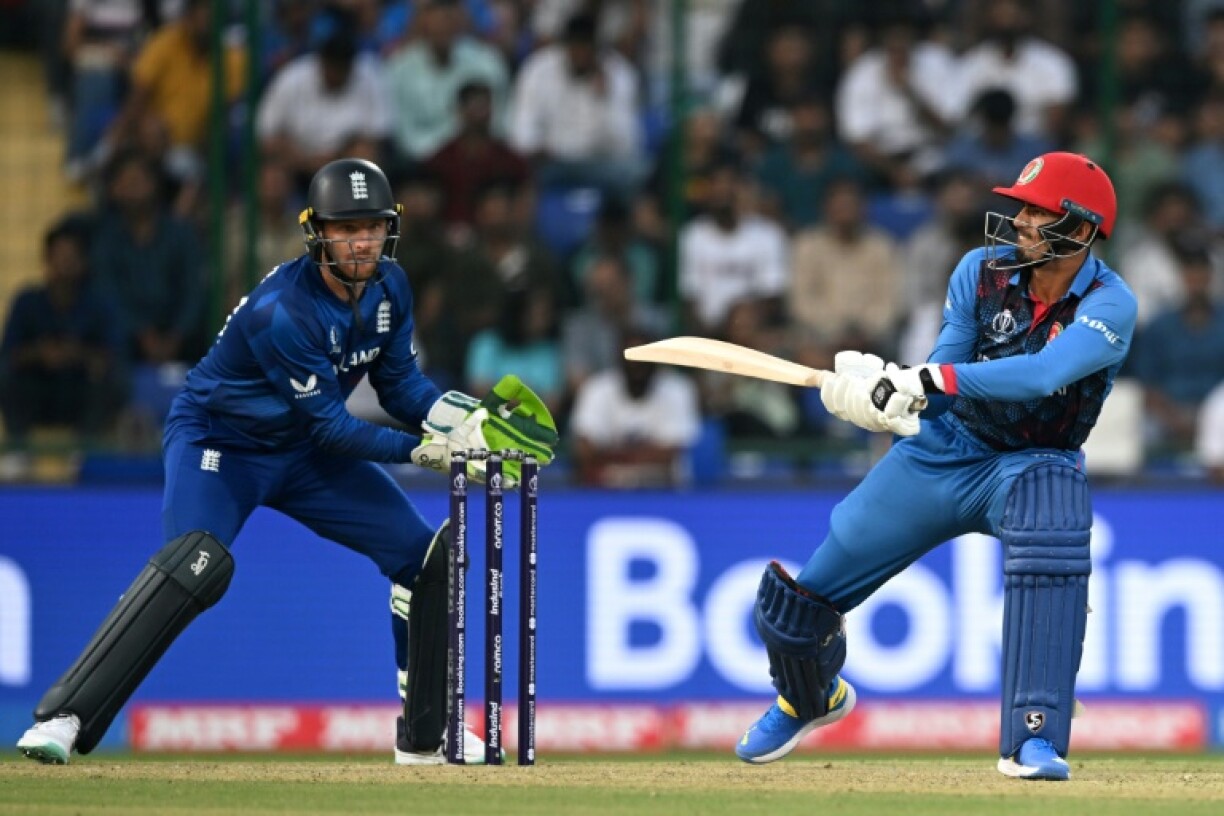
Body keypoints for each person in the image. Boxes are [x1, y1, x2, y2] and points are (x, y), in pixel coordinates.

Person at [16, 158, 558, 766]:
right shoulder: (285, 309)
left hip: (299, 454)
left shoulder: (391, 287)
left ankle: (428, 739)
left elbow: (401, 386)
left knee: (428, 560)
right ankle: (64, 717)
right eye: (346, 228)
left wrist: (468, 421)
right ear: (317, 232)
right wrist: (434, 453)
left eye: (373, 227)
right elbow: (331, 426)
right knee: (196, 563)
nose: (362, 241)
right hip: (221, 444)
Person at [735, 152, 1136, 781]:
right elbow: (941, 377)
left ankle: (1033, 738)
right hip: (945, 450)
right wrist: (886, 397)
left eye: (1036, 212)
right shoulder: (980, 270)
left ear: (1080, 230)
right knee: (796, 610)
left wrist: (932, 376)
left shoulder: (1112, 304)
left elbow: (1044, 373)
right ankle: (810, 697)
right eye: (1021, 208)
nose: (1020, 221)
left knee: (1053, 517)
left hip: (1034, 463)